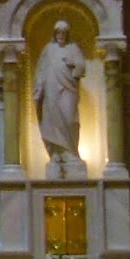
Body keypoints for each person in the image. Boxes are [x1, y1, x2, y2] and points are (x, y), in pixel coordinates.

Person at [34, 20, 86, 170]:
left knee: (70, 119)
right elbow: (40, 70)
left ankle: (71, 152)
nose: (61, 35)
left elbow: (81, 67)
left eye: (63, 32)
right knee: (52, 119)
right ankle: (57, 152)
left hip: (69, 88)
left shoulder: (73, 48)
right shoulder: (48, 49)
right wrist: (39, 87)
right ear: (54, 33)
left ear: (67, 34)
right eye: (58, 32)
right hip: (51, 89)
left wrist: (73, 63)